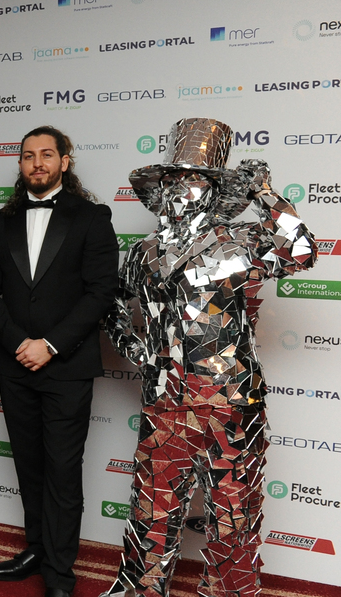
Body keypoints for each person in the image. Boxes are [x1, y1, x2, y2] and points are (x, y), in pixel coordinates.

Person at [102, 118, 317, 597]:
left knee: (232, 514)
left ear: (215, 191)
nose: (181, 188)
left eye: (195, 178)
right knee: (151, 507)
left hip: (230, 404)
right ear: (161, 189)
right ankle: (140, 588)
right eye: (173, 178)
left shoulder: (241, 243)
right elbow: (112, 301)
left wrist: (264, 193)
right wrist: (133, 347)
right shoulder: (144, 252)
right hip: (164, 402)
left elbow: (301, 251)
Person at [0, 125, 119, 597]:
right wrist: (20, 342)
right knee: (29, 465)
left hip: (67, 367)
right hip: (16, 365)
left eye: (46, 155)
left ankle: (59, 572)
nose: (37, 163)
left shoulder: (92, 217)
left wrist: (50, 345)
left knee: (62, 470)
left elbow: (101, 292)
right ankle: (36, 549)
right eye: (28, 156)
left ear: (64, 161)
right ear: (20, 164)